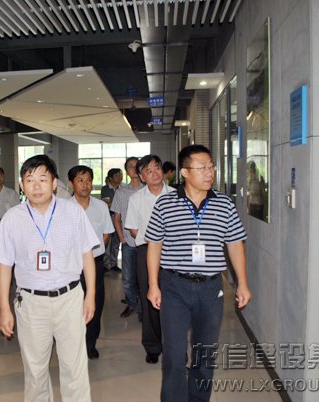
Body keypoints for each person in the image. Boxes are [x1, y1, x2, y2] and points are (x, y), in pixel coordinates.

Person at [145, 144, 251, 402]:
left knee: (205, 354)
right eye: (202, 167)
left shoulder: (224, 203)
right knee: (174, 355)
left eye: (211, 167)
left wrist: (242, 283)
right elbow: (154, 245)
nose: (210, 172)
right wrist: (153, 285)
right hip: (174, 286)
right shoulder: (165, 203)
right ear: (184, 172)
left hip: (210, 289)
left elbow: (235, 244)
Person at [0, 155, 99, 402]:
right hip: (30, 302)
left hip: (69, 298)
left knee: (75, 367)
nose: (36, 186)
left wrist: (90, 295)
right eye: (30, 180)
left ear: (54, 183)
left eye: (43, 179)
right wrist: (4, 308)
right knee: (35, 370)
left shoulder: (73, 211)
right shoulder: (13, 218)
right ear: (22, 185)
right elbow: (5, 265)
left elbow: (87, 255)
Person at [124, 154, 173, 364]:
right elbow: (133, 230)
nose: (154, 173)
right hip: (146, 252)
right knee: (149, 299)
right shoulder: (136, 199)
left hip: (173, 253)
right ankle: (152, 346)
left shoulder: (177, 196)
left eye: (157, 168)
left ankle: (174, 347)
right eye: (148, 171)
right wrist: (154, 241)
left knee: (174, 301)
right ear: (142, 177)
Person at [69, 165, 114, 359]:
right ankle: (73, 344)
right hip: (70, 264)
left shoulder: (101, 206)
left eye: (88, 180)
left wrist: (92, 252)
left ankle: (90, 343)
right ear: (72, 183)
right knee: (71, 305)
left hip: (95, 263)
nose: (85, 184)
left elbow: (106, 233)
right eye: (80, 180)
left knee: (95, 302)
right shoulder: (63, 207)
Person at [111, 157, 143, 318]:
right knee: (128, 279)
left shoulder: (148, 189)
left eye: (137, 165)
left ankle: (143, 309)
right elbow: (117, 218)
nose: (134, 168)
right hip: (129, 243)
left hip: (147, 243)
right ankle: (132, 303)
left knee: (144, 278)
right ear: (127, 171)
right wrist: (121, 237)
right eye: (130, 166)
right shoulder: (121, 192)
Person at [0, 166, 20, 304]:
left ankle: (14, 292)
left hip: (10, 236)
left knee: (12, 266)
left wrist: (3, 221)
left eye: (0, 174)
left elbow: (18, 212)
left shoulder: (12, 194)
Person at [101, 168, 123, 272]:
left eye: (120, 175)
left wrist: (114, 204)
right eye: (117, 175)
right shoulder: (106, 188)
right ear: (110, 178)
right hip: (109, 217)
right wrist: (119, 205)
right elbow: (106, 204)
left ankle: (113, 263)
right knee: (108, 241)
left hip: (120, 218)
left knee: (116, 242)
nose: (120, 177)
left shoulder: (123, 188)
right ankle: (106, 264)